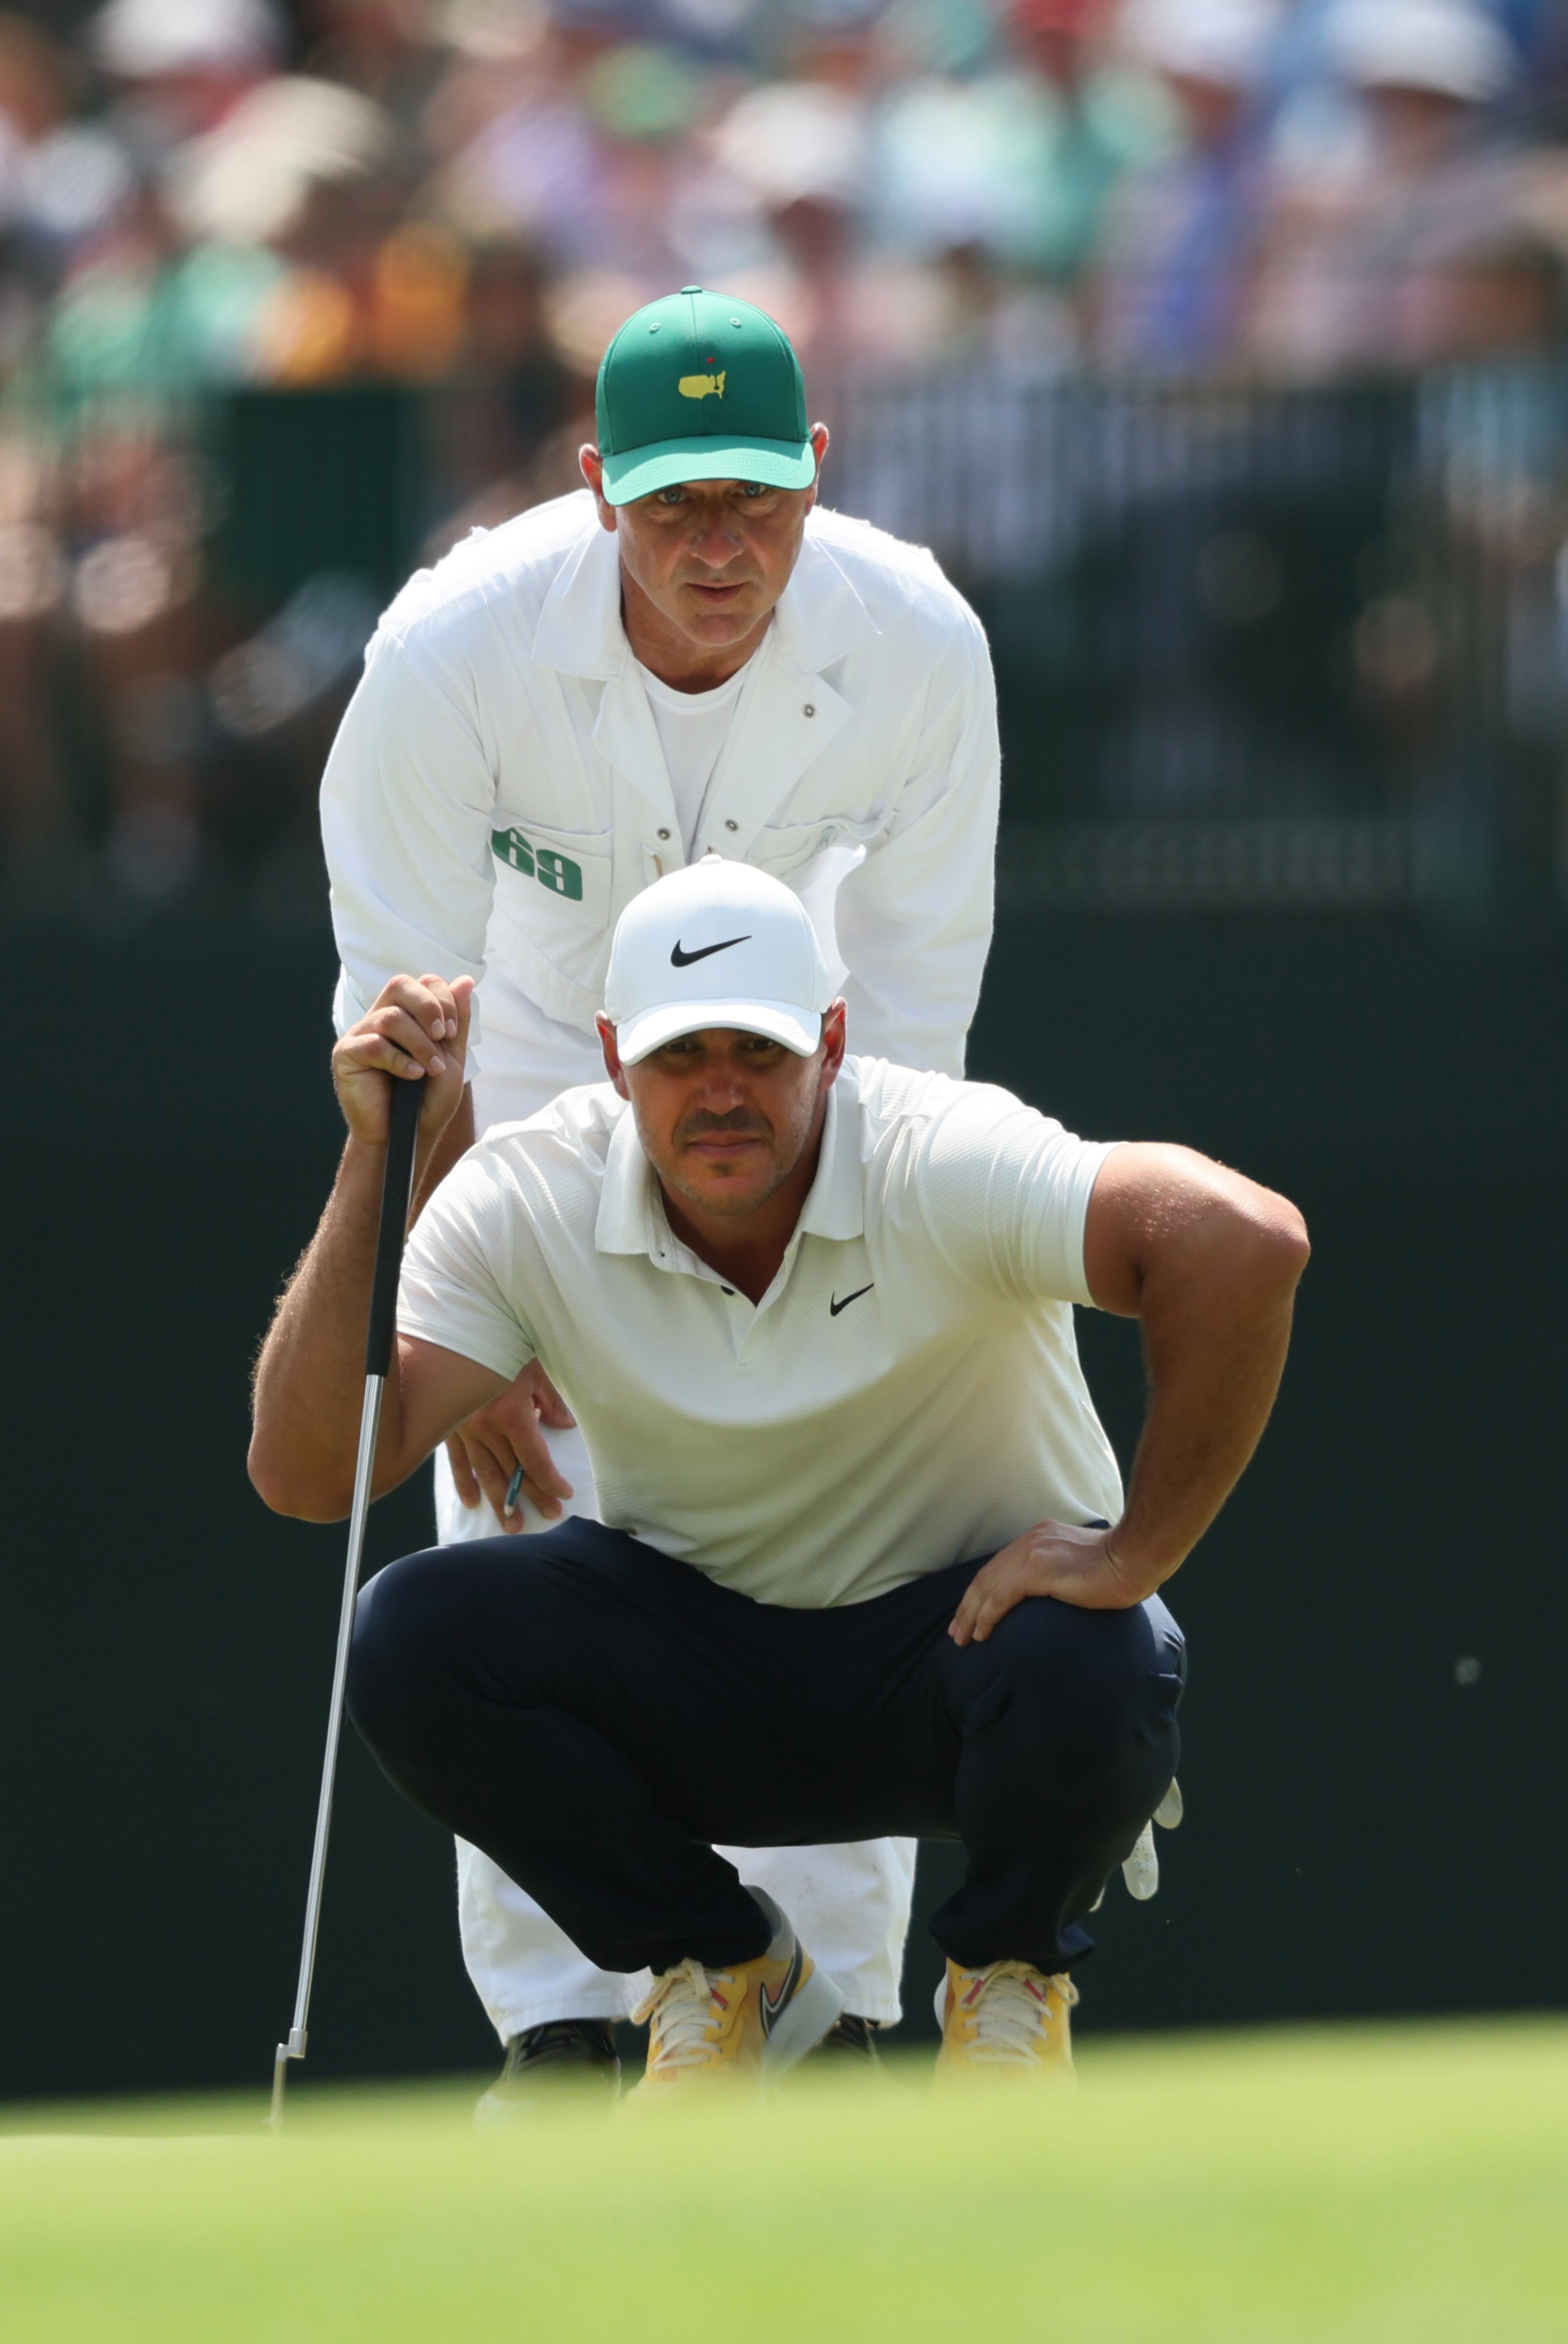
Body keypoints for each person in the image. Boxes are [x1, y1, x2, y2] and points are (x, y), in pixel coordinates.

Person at [249, 860, 1310, 2092]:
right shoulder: (530, 1190)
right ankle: (725, 1967)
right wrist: (379, 1160)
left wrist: (1137, 1553)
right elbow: (309, 1471)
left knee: (1099, 1649)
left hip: (967, 1671)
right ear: (610, 1060)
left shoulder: (934, 1150)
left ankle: (1008, 1981)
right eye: (679, 1054)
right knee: (413, 1635)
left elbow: (1243, 1243)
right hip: (700, 1670)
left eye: (758, 1052)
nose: (719, 1094)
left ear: (833, 1044)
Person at [318, 284, 1001, 2105]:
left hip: (811, 1074)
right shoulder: (451, 646)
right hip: (533, 1070)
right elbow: (403, 1009)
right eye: (677, 502)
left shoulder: (920, 640)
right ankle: (561, 2021)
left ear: (818, 477)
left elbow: (922, 1009)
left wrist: (870, 1274)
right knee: (528, 1516)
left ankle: (843, 2008)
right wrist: (470, 1293)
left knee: (837, 1502)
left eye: (756, 501)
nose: (720, 547)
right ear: (598, 481)